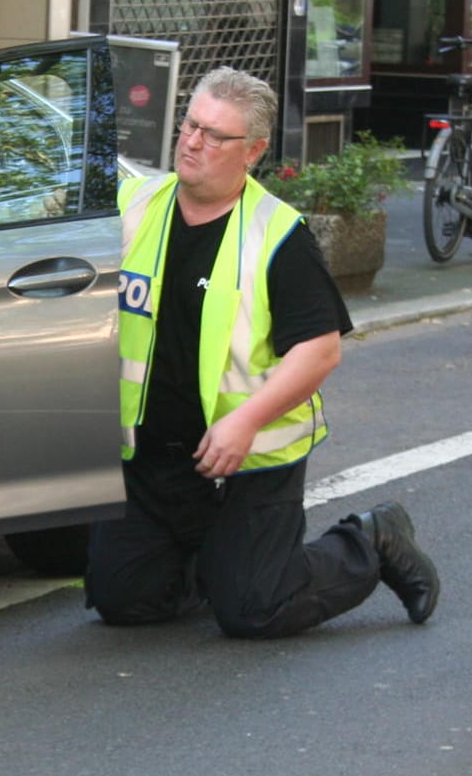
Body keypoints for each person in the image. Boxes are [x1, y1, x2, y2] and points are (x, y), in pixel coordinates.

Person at [85, 66, 440, 638]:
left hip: (244, 463)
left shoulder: (277, 235)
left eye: (214, 135)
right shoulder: (136, 205)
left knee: (255, 609)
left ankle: (371, 541)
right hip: (151, 460)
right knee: (123, 600)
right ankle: (223, 563)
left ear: (252, 151)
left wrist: (245, 421)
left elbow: (320, 352)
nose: (193, 141)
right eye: (190, 125)